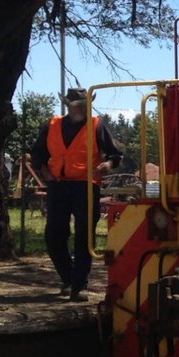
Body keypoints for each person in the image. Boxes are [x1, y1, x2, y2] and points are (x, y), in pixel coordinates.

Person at [28, 88, 122, 301]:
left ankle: (79, 285)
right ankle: (68, 278)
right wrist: (46, 174)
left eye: (84, 104)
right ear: (69, 106)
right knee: (54, 235)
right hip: (59, 186)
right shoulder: (52, 125)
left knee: (84, 236)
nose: (81, 108)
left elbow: (115, 155)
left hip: (86, 186)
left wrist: (107, 165)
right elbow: (37, 153)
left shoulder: (97, 125)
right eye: (77, 104)